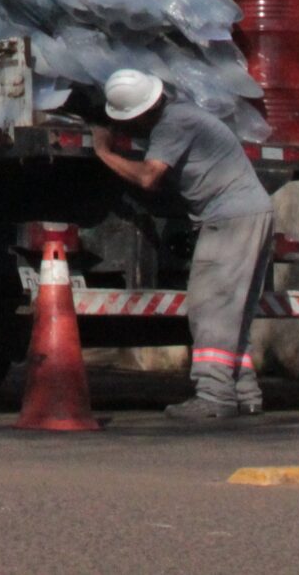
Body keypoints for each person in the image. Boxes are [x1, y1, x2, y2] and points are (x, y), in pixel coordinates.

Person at [92, 67, 275, 422]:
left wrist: (103, 151)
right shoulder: (185, 115)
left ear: (140, 113)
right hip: (251, 211)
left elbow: (148, 177)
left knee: (210, 308)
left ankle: (213, 395)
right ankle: (245, 393)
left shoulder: (172, 125)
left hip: (230, 219)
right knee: (234, 311)